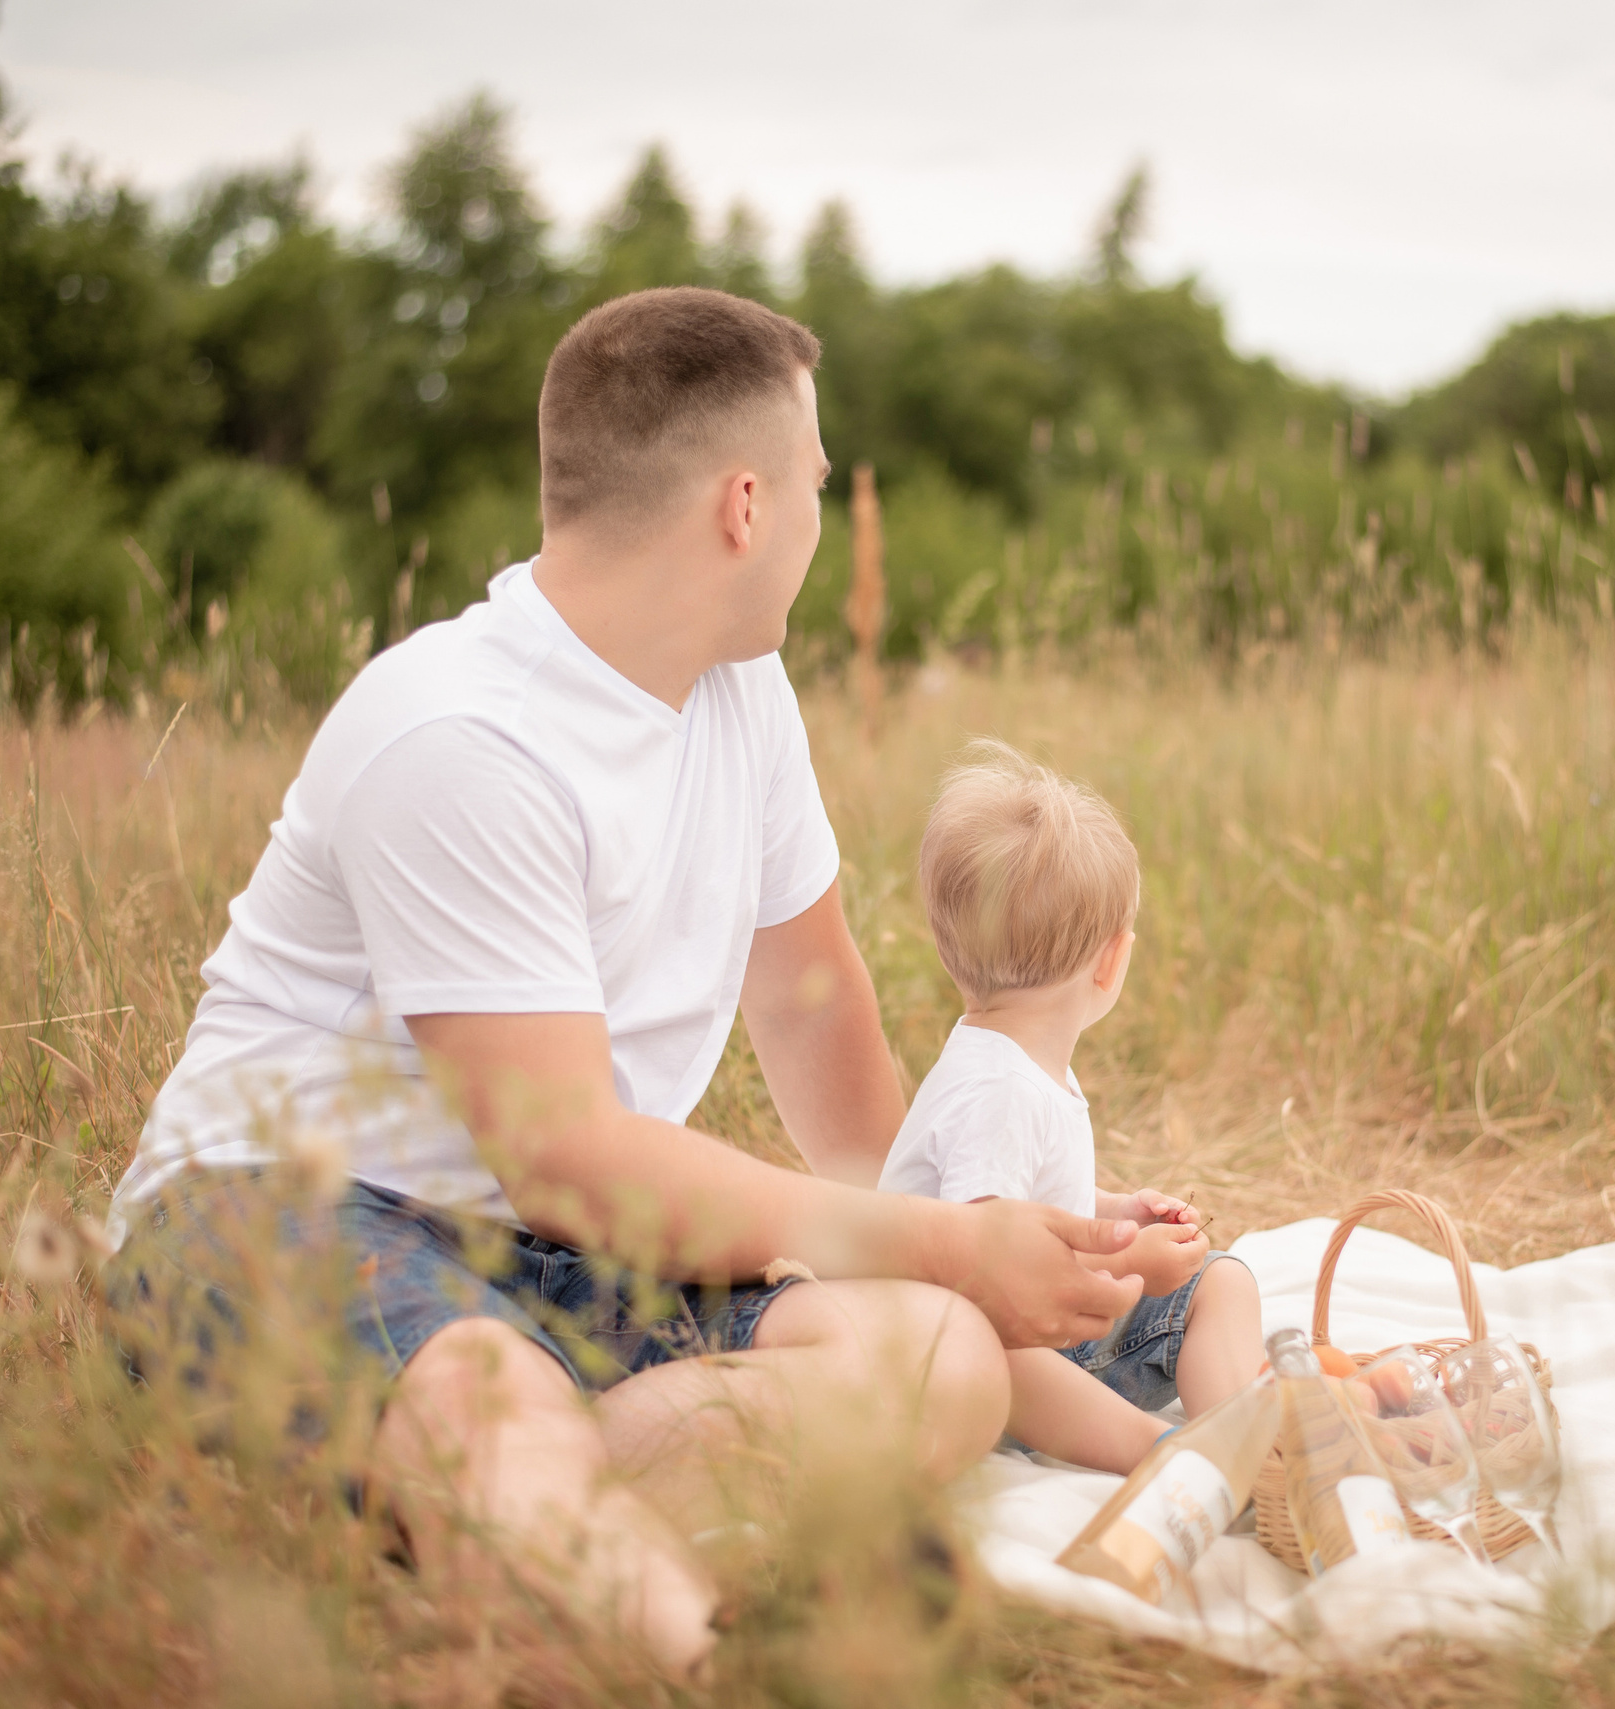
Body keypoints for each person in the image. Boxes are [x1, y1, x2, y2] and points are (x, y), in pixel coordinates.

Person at [102, 288, 1146, 1682]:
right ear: (744, 504)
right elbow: (569, 1161)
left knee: (941, 1356)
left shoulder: (738, 695)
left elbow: (810, 1014)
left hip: (556, 1259)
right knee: (487, 1385)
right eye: (818, 489)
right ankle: (701, 1650)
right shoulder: (460, 735)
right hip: (289, 1205)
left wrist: (997, 1233)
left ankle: (470, 1528)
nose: (823, 524)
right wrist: (952, 1244)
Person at [877, 742, 1263, 1474]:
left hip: (1047, 1329)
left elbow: (1036, 1209)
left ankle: (1244, 1431)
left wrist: (1117, 1217)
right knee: (1004, 1351)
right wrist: (1128, 1272)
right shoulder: (996, 1090)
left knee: (1222, 1279)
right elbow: (991, 1271)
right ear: (1112, 960)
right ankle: (1165, 1455)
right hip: (968, 1358)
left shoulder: (1020, 1062)